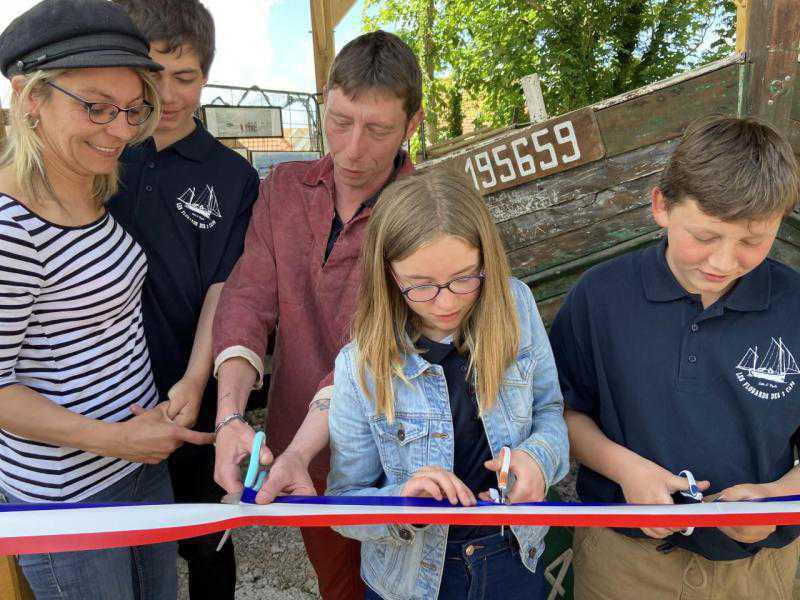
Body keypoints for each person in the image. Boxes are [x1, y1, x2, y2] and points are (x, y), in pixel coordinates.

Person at [0, 1, 213, 599]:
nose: (120, 130)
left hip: (140, 468)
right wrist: (116, 439)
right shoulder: (11, 229)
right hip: (67, 501)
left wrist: (141, 436)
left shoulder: (95, 188)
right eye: (95, 106)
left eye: (130, 110)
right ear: (30, 97)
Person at [549, 115, 800, 600]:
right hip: (621, 561)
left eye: (753, 240)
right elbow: (560, 412)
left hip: (759, 571)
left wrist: (778, 496)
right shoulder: (600, 296)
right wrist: (627, 471)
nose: (725, 262)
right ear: (661, 205)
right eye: (705, 236)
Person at [211, 30, 422, 599]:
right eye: (339, 121)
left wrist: (302, 446)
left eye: (377, 130)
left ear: (412, 125)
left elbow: (381, 342)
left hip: (393, 457)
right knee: (337, 586)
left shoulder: (426, 212)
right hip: (297, 454)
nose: (351, 150)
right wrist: (230, 417)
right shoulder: (282, 189)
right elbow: (247, 299)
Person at [325, 168, 569, 600]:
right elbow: (344, 508)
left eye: (464, 278)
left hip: (513, 555)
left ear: (486, 260)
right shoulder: (359, 366)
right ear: (388, 276)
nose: (447, 301)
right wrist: (404, 501)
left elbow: (550, 411)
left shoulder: (517, 306)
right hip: (411, 579)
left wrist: (538, 459)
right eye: (421, 286)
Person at [109, 2, 259, 598]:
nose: (167, 95)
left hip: (185, 396)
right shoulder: (100, 152)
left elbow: (225, 288)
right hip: (101, 396)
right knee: (122, 549)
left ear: (206, 75)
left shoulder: (232, 176)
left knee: (207, 542)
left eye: (185, 77)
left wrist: (198, 383)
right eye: (152, 73)